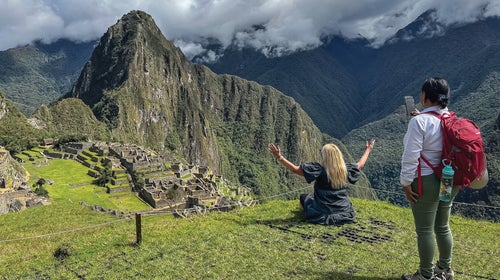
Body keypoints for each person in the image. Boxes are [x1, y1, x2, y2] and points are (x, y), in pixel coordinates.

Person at [400, 77, 457, 280]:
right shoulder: (451, 119)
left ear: (424, 97)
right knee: (442, 226)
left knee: (424, 230)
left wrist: (406, 184)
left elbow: (410, 157)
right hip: (448, 179)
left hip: (427, 181)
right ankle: (445, 270)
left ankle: (425, 275)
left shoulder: (419, 122)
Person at [268, 139, 375, 226]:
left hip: (323, 213)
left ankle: (308, 212)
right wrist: (368, 150)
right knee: (310, 198)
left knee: (304, 198)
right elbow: (360, 165)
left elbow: (295, 169)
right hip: (343, 212)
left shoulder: (319, 170)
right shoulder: (344, 170)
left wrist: (279, 157)